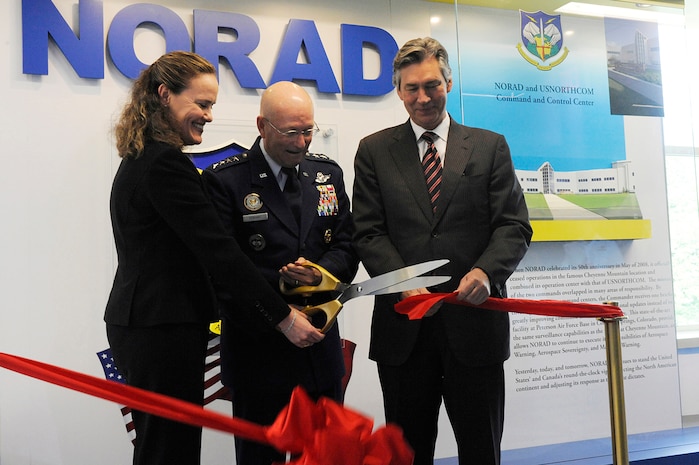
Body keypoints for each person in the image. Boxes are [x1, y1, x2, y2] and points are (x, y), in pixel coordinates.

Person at [104, 52, 322, 465]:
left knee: (162, 447)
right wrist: (283, 317)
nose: (208, 115)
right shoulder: (166, 164)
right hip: (161, 329)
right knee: (170, 450)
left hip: (149, 324)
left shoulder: (143, 157)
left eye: (211, 106)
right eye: (201, 104)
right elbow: (221, 254)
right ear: (164, 95)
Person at [352, 38, 533, 465]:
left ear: (448, 82)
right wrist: (404, 285)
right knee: (407, 455)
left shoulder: (490, 146)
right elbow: (367, 232)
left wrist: (487, 273)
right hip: (404, 334)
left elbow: (514, 225)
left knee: (481, 450)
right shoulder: (374, 150)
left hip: (476, 330)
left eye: (432, 85)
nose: (422, 97)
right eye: (411, 88)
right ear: (398, 91)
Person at [202, 80, 358, 465]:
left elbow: (348, 245)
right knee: (260, 458)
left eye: (308, 130)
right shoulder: (226, 181)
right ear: (262, 126)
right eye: (291, 132)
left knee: (324, 457)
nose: (302, 142)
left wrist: (320, 273)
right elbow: (223, 270)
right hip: (260, 352)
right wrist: (282, 287)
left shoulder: (326, 174)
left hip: (319, 350)